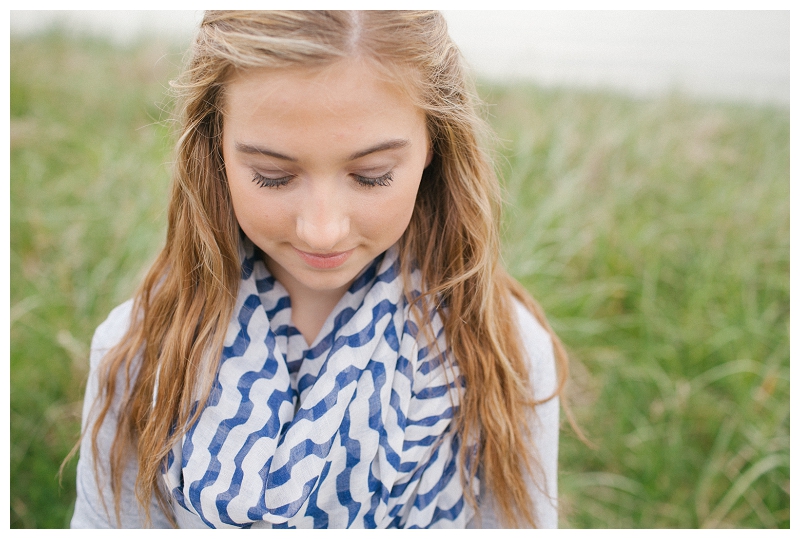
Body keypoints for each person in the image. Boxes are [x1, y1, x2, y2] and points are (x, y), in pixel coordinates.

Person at [70, 10, 567, 529]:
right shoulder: (140, 353)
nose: (322, 230)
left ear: (433, 148)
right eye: (273, 176)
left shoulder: (503, 353)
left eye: (372, 176)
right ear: (213, 150)